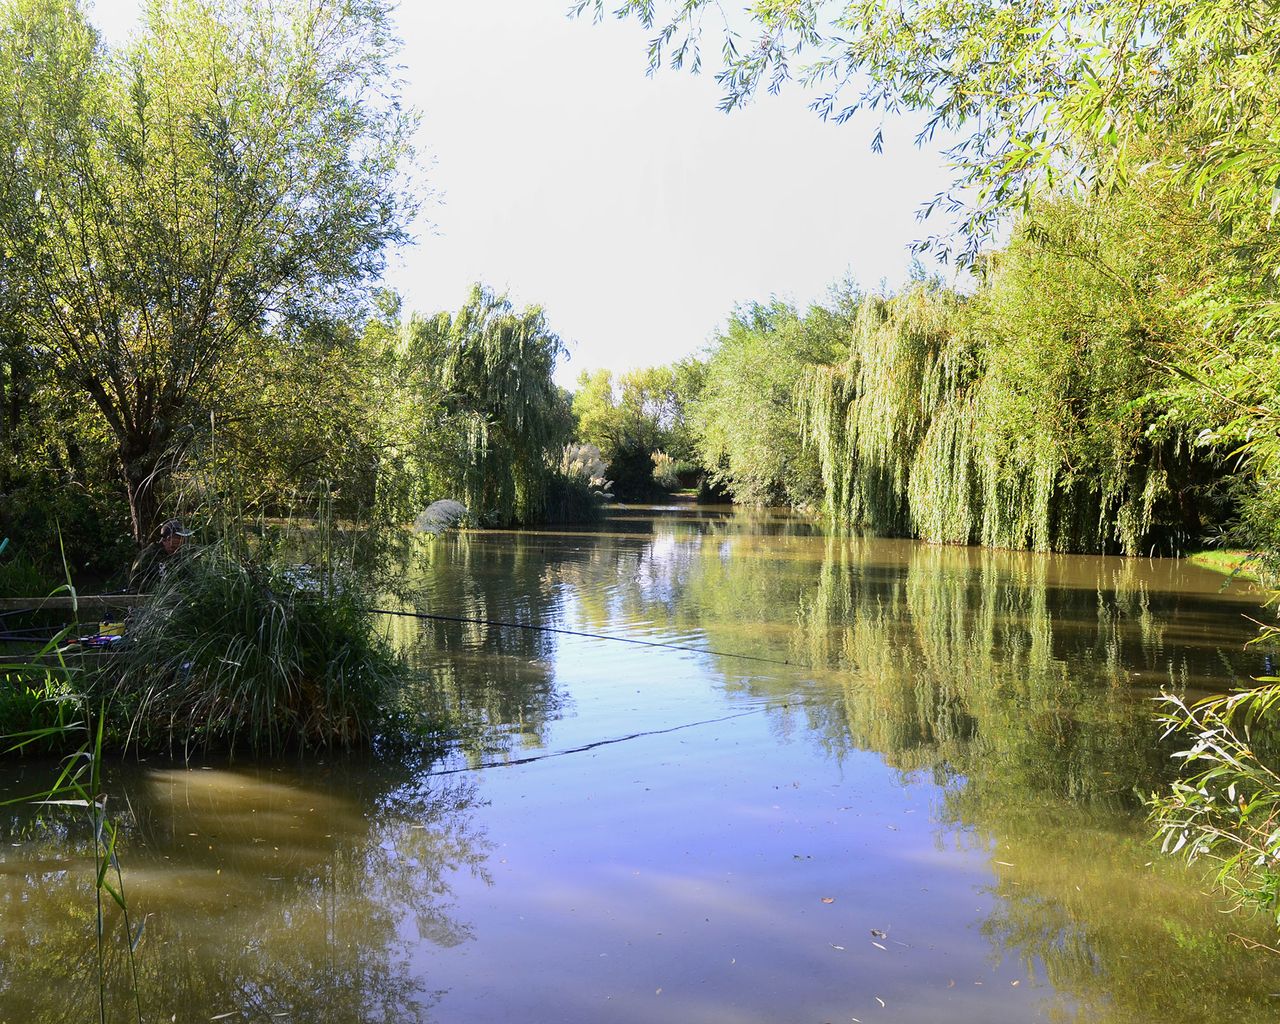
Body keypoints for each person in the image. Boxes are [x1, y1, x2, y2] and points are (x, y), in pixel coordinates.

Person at [128, 518, 194, 593]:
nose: (181, 542)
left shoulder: (179, 556)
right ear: (168, 539)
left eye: (183, 539)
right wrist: (159, 588)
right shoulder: (150, 553)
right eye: (178, 538)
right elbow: (135, 578)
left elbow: (188, 578)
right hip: (145, 598)